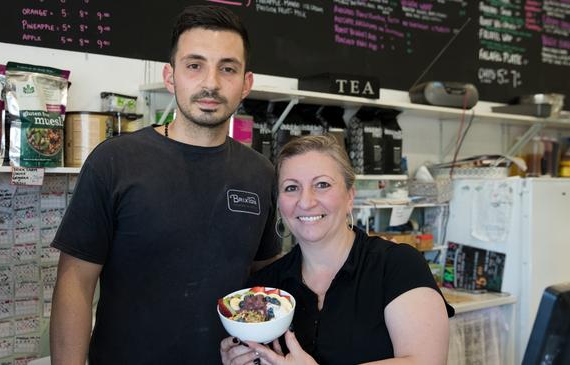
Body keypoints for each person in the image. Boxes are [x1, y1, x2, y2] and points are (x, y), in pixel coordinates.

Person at [50, 5, 280, 364]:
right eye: (194, 65)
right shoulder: (114, 162)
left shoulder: (261, 173)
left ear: (246, 83)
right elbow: (75, 282)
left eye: (228, 68)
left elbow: (264, 279)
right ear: (171, 77)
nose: (211, 83)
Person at [220, 135, 454, 365]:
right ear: (279, 203)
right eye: (291, 187)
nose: (306, 201)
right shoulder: (267, 288)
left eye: (322, 185)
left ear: (350, 196)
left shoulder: (396, 265)